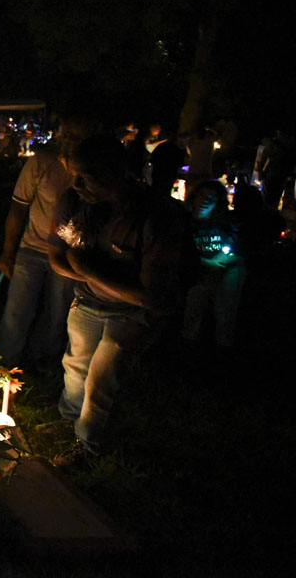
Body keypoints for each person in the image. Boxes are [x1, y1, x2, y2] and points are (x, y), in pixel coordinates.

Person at [47, 135, 186, 467]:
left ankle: (88, 448)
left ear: (116, 171)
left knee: (101, 377)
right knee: (76, 366)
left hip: (133, 313)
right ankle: (68, 422)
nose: (77, 184)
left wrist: (89, 271)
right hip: (89, 302)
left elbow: (151, 296)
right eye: (74, 174)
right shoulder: (74, 201)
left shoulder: (156, 215)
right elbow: (56, 255)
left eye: (87, 175)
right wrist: (91, 277)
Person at [0, 115, 95, 369]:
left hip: (69, 255)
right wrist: (8, 252)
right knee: (17, 311)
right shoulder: (41, 163)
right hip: (32, 249)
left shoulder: (93, 170)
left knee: (58, 313)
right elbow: (18, 210)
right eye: (68, 133)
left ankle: (43, 363)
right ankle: (5, 365)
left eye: (78, 135)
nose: (70, 139)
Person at [181, 180, 245, 351]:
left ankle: (223, 347)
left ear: (218, 202)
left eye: (211, 198)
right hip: (198, 272)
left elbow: (238, 249)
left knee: (226, 311)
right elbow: (180, 253)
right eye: (202, 195)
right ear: (193, 198)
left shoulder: (224, 223)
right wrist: (208, 263)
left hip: (227, 271)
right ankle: (189, 346)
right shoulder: (184, 223)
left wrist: (224, 261)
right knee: (194, 307)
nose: (205, 201)